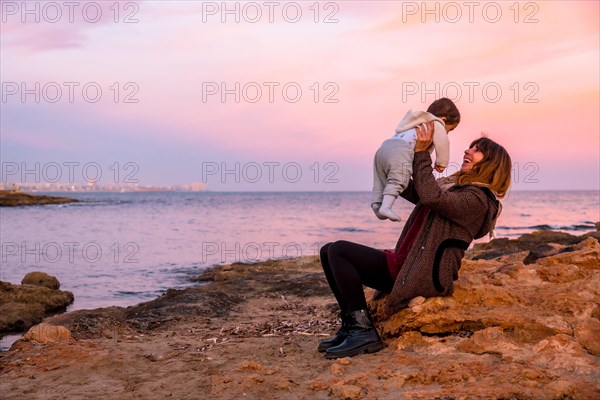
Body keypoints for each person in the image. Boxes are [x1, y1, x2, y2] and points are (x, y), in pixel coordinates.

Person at [318, 122, 512, 359]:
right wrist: (393, 167)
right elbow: (420, 193)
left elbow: (431, 196)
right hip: (408, 262)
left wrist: (422, 153)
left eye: (477, 149)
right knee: (328, 250)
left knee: (340, 251)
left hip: (423, 273)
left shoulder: (478, 201)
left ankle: (364, 331)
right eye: (470, 147)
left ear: (492, 164)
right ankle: (351, 326)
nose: (467, 151)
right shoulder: (457, 188)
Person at [372, 98, 461, 222]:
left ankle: (377, 204)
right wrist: (442, 162)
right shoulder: (436, 123)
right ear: (444, 120)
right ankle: (386, 207)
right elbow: (443, 143)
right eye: (450, 129)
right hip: (400, 150)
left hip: (384, 147)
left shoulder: (415, 121)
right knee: (399, 178)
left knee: (381, 178)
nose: (447, 133)